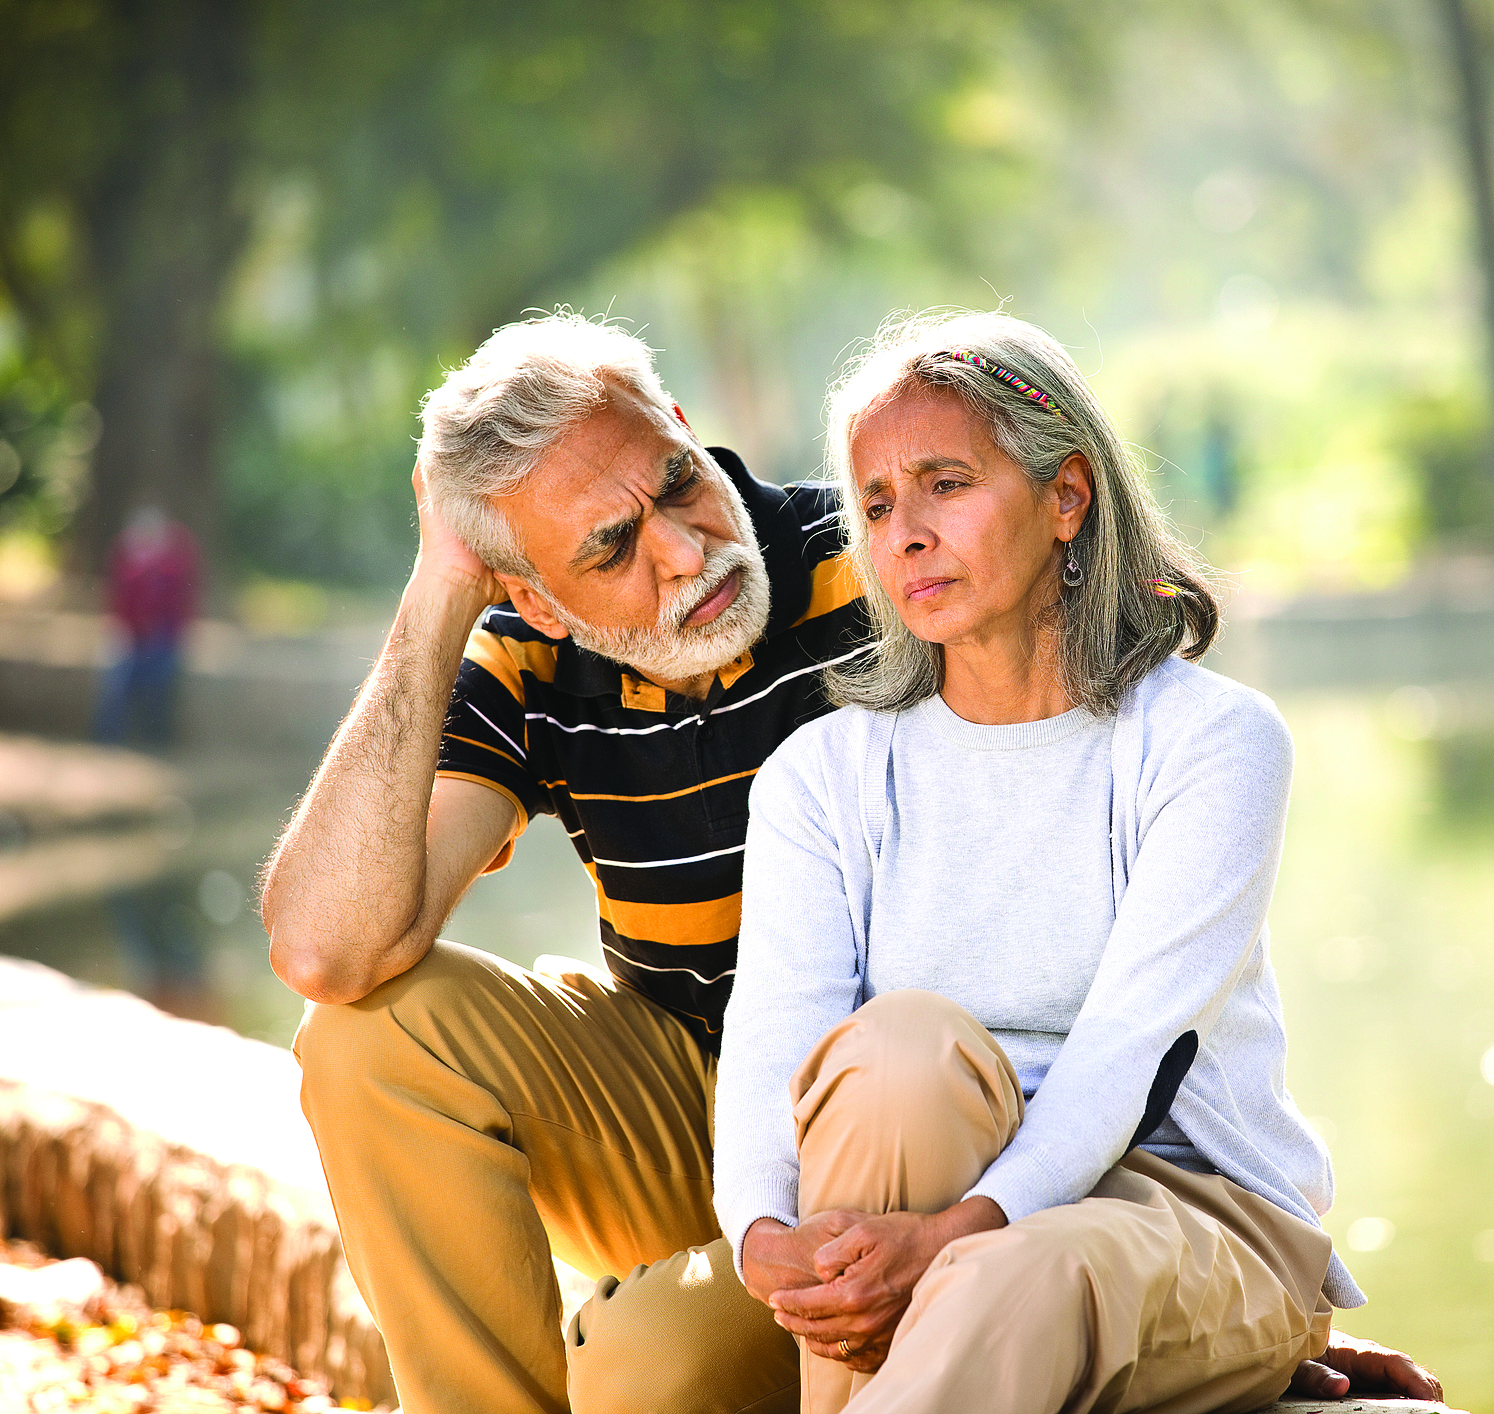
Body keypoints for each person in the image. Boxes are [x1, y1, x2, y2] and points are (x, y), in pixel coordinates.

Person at [562, 312, 1443, 1414]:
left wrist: (955, 1236)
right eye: (878, 505)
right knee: (891, 1055)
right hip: (927, 1194)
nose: (907, 534)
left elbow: (1129, 1055)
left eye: (947, 484)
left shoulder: (1212, 742)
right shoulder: (824, 775)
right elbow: (773, 1043)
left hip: (1198, 1212)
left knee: (1010, 1274)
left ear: (1066, 496)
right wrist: (762, 1237)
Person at [260, 312, 868, 1414]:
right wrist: (441, 590)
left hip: (909, 1129)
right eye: (609, 547)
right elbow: (325, 946)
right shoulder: (531, 653)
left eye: (677, 482)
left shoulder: (870, 567)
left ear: (681, 424)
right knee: (365, 1036)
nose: (687, 550)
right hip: (698, 1115)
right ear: (535, 594)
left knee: (640, 1370)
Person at [93, 504, 199, 746]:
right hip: (131, 636)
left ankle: (155, 738)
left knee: (160, 679)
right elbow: (119, 604)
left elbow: (178, 607)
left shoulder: (173, 564)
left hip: (162, 638)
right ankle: (108, 739)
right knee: (117, 679)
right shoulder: (128, 561)